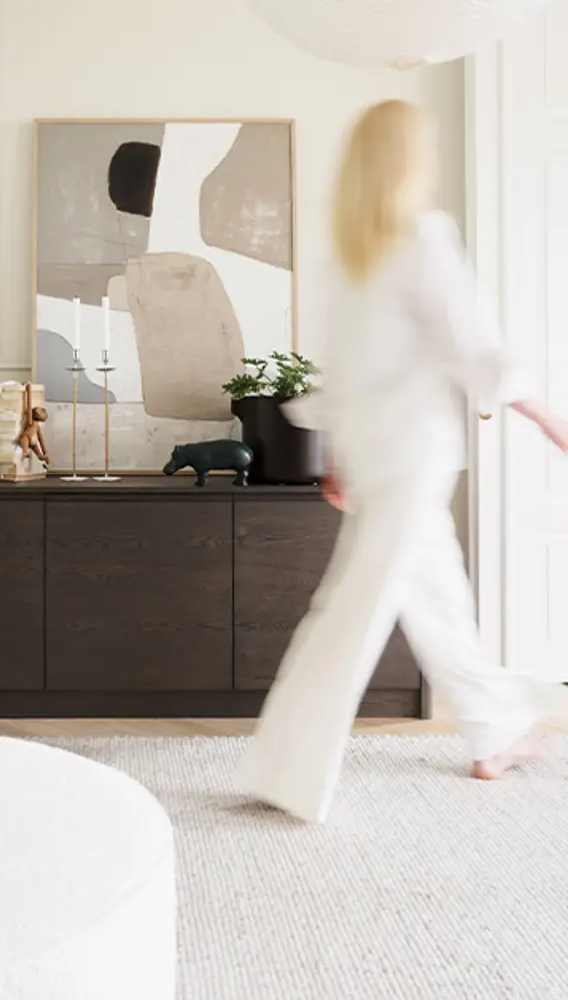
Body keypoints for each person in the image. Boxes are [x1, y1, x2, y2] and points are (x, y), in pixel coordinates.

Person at [237, 99, 568, 825]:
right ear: (410, 160)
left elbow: (342, 373)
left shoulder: (348, 255)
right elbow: (474, 344)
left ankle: (495, 730)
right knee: (350, 613)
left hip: (381, 457)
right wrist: (548, 416)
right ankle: (288, 768)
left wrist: (337, 457)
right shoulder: (422, 237)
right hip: (413, 456)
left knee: (438, 599)